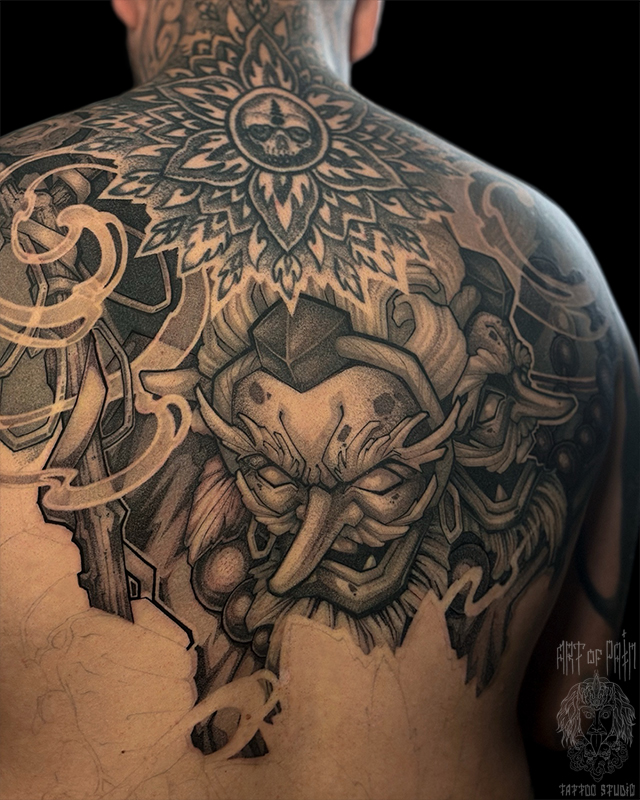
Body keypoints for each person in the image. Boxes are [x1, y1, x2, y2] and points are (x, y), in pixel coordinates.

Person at [0, 1, 637, 798]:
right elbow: (571, 715)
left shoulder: (14, 210)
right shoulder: (556, 265)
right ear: (367, 12)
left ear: (127, 0)